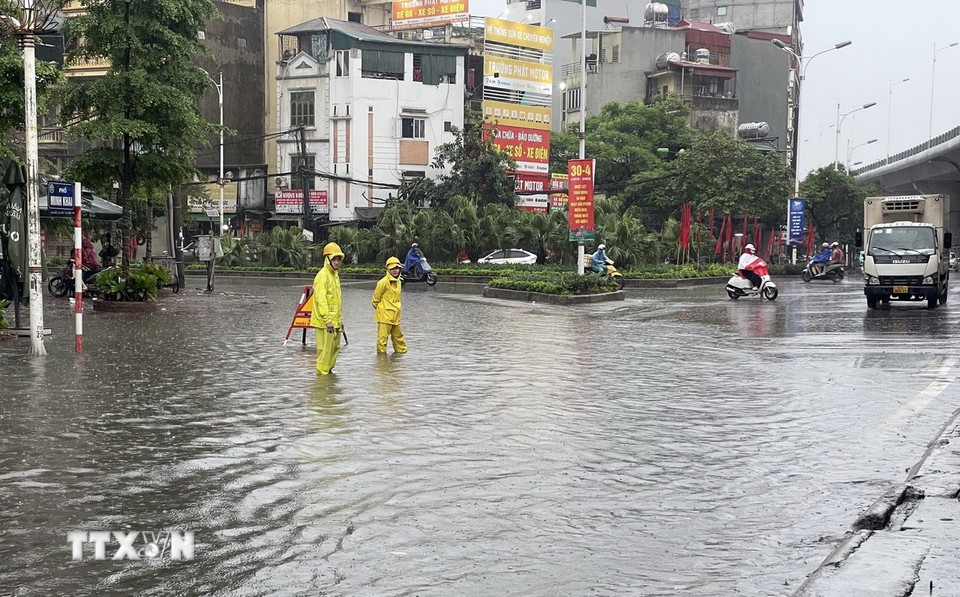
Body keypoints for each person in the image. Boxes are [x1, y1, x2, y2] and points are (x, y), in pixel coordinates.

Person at [311, 242, 344, 375]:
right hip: (325, 323)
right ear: (328, 259)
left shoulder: (334, 275)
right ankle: (322, 383)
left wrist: (340, 321)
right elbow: (321, 300)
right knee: (325, 351)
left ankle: (328, 378)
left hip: (334, 321)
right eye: (334, 259)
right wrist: (328, 320)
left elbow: (336, 301)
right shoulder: (322, 276)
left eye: (338, 259)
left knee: (334, 348)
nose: (336, 262)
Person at [372, 257, 407, 355]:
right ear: (388, 269)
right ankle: (382, 360)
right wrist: (382, 310)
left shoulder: (399, 282)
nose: (394, 271)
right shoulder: (382, 282)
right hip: (384, 316)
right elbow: (375, 300)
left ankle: (401, 355)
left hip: (396, 315)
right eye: (392, 269)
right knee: (382, 339)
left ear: (399, 269)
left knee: (399, 337)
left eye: (396, 268)